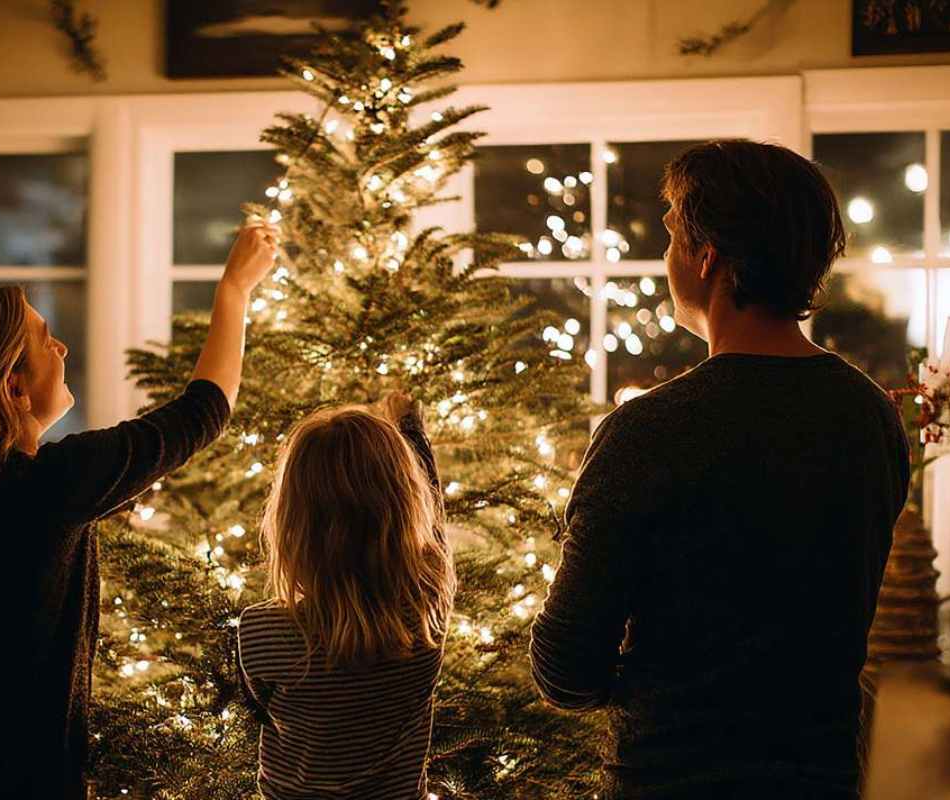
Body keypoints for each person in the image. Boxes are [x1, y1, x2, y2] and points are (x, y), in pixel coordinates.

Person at [529, 140, 910, 799]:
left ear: (708, 259)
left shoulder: (648, 429)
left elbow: (565, 667)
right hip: (819, 780)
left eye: (675, 236)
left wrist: (653, 689)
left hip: (669, 778)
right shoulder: (870, 418)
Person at [0, 222, 279, 799]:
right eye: (45, 338)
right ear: (11, 385)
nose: (60, 347)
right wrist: (235, 290)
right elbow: (204, 411)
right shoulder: (48, 487)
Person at [237, 392, 455, 800]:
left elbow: (259, 705)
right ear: (408, 509)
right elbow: (435, 537)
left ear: (291, 522)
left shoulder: (259, 631)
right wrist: (412, 432)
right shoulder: (426, 617)